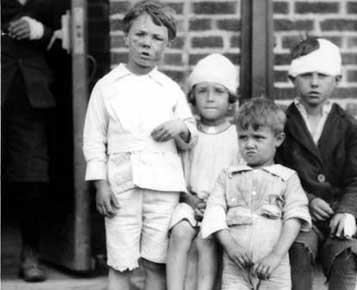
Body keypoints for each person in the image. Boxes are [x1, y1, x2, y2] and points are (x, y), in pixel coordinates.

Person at [82, 1, 197, 289]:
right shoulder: (107, 86)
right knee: (121, 260)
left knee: (156, 262)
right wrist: (101, 184)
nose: (147, 44)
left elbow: (191, 134)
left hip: (163, 185)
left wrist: (179, 126)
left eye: (157, 38)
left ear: (167, 45)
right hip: (123, 184)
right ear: (127, 38)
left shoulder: (169, 89)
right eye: (140, 35)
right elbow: (94, 139)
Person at [275, 37, 357, 290]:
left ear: (337, 80)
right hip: (298, 216)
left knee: (347, 251)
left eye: (323, 75)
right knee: (297, 246)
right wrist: (307, 200)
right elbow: (274, 173)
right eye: (306, 75)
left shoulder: (349, 127)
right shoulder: (281, 124)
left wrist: (347, 210)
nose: (314, 82)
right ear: (292, 79)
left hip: (338, 216)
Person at [201, 98, 312, 290]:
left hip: (273, 268)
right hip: (236, 267)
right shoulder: (227, 177)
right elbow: (214, 213)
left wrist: (276, 255)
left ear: (278, 139)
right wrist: (230, 246)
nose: (249, 144)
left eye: (258, 137)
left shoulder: (287, 178)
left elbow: (295, 217)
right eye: (243, 137)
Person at [166, 53, 242, 290]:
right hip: (190, 201)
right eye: (202, 91)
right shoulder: (187, 136)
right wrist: (188, 198)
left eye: (218, 91)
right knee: (180, 232)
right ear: (193, 97)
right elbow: (176, 174)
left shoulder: (237, 137)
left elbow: (240, 178)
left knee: (205, 239)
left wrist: (217, 202)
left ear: (230, 99)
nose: (210, 98)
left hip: (221, 206)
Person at [1, 0, 57, 282]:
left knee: (31, 175)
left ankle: (30, 254)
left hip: (32, 98)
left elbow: (75, 38)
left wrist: (41, 32)